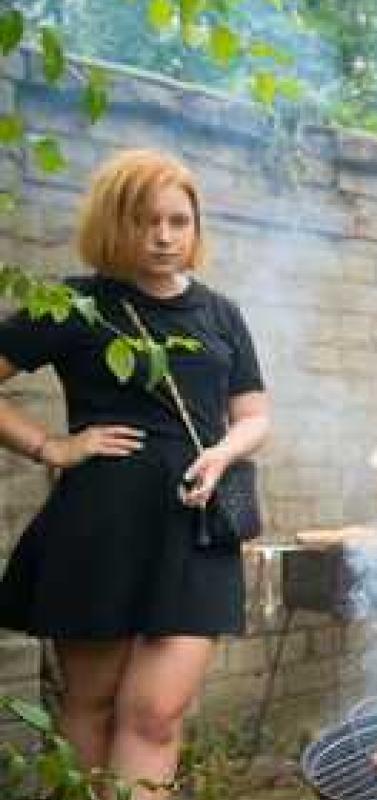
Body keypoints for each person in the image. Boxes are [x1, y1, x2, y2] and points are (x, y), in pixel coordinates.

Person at [0, 149, 270, 799]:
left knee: (156, 713)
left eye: (180, 221)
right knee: (90, 704)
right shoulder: (77, 304)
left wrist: (223, 452)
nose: (165, 236)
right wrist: (49, 446)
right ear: (115, 223)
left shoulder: (220, 313)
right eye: (147, 220)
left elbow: (256, 414)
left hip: (196, 527)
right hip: (101, 527)